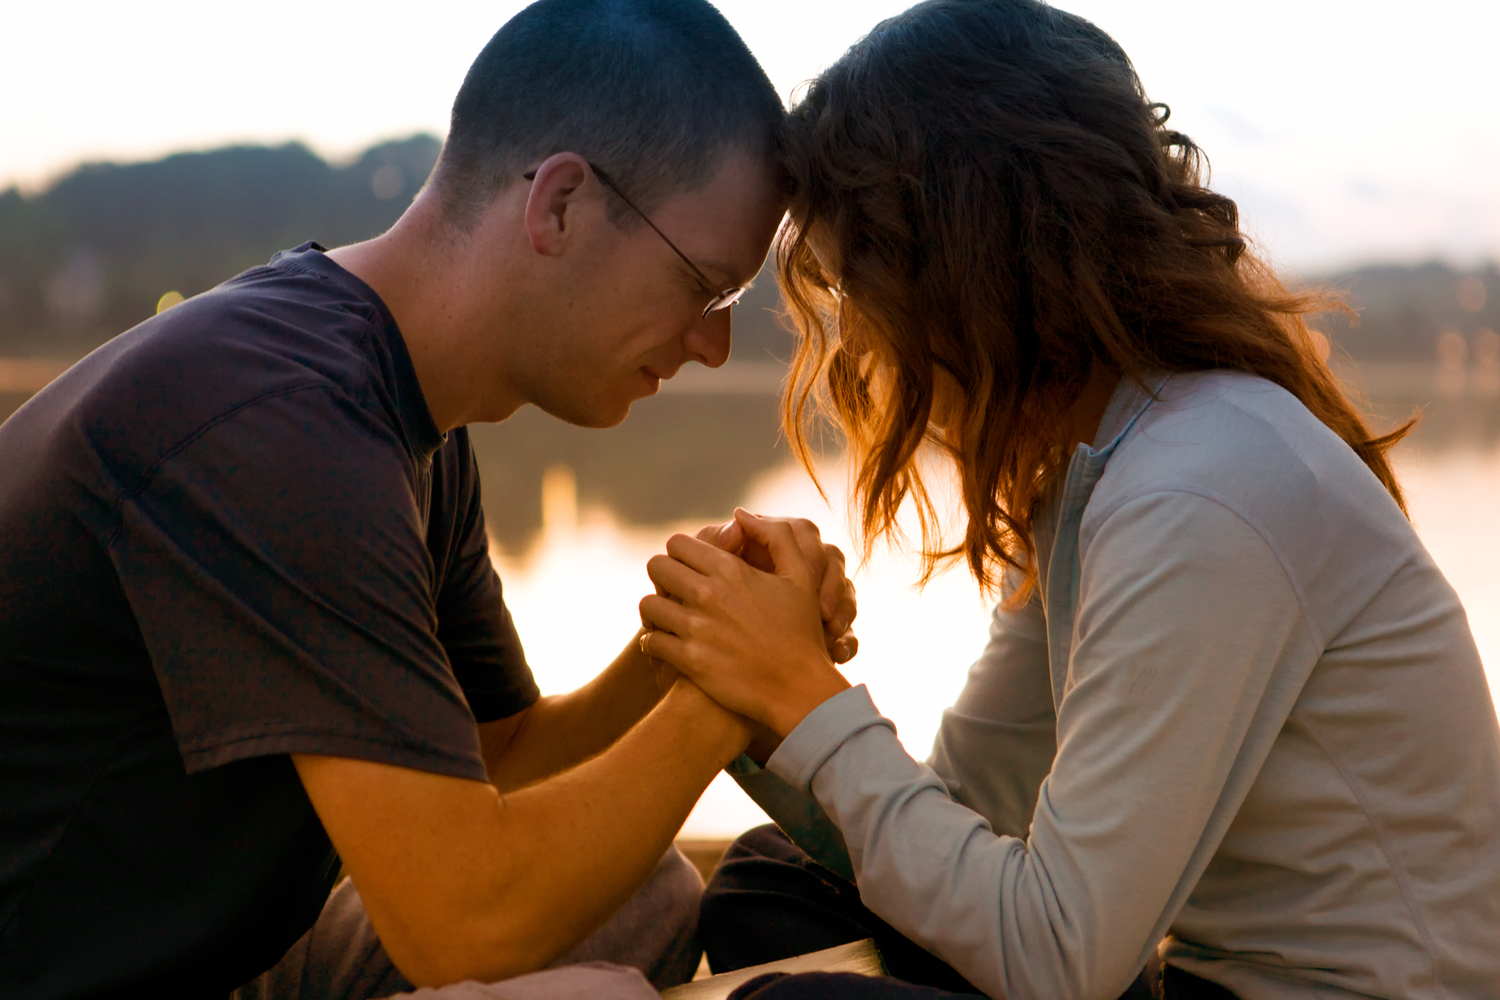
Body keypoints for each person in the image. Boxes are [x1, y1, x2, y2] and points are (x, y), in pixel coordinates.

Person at [638, 2, 1500, 998]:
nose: (856, 344)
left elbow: (1056, 958)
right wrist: (757, 691)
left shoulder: (1202, 487)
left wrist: (806, 697)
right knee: (773, 883)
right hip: (1180, 980)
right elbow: (970, 811)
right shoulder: (1106, 471)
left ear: (954, 265)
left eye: (850, 287)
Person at [0, 2, 860, 998]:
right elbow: (468, 926)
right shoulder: (282, 427)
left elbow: (501, 758)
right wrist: (733, 689)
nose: (712, 346)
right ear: (560, 206)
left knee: (638, 897)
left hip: (195, 958)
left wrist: (690, 641)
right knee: (593, 994)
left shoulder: (404, 418)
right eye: (706, 289)